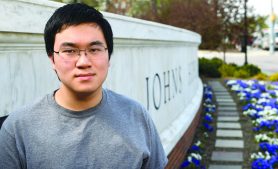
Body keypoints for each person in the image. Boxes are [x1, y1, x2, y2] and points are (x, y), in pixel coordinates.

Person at [0, 3, 167, 169]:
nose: (83, 62)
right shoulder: (17, 129)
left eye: (94, 49)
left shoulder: (136, 116)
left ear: (108, 56)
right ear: (52, 59)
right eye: (70, 51)